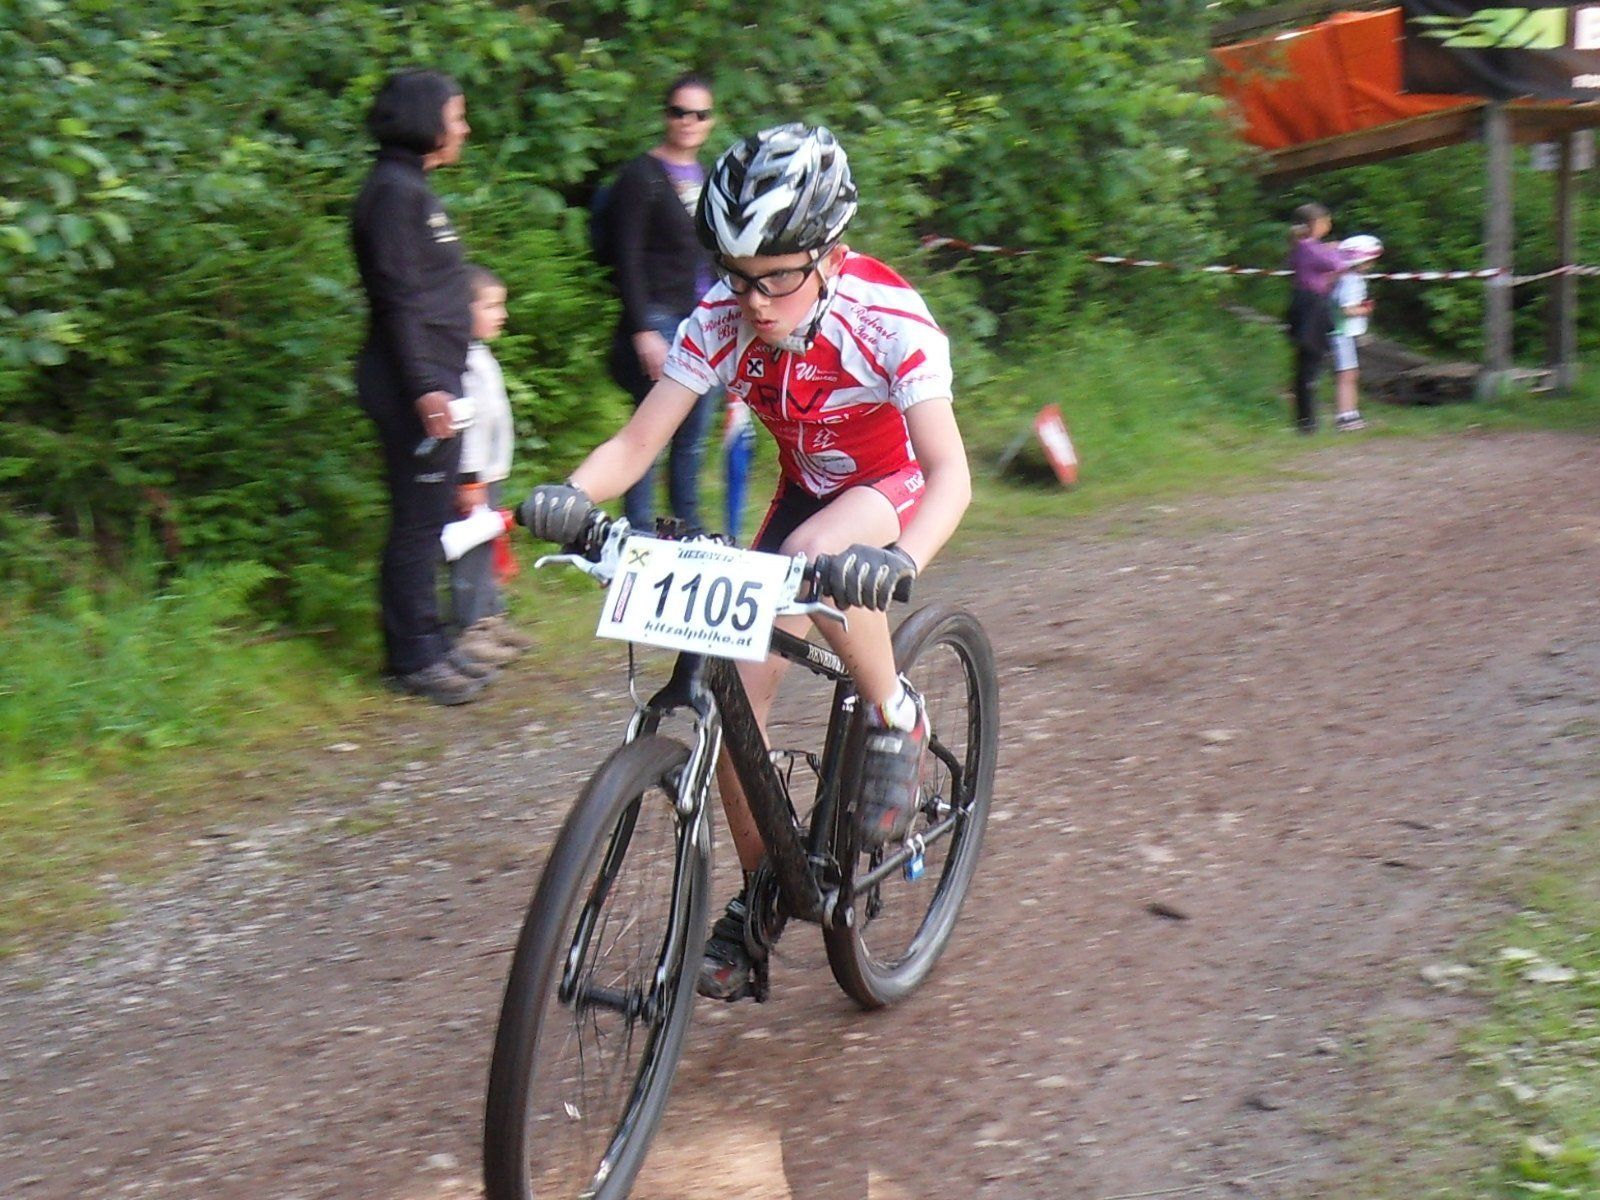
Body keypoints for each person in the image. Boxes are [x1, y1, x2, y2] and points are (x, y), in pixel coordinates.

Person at [523, 123, 973, 1001]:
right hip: (807, 489)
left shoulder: (889, 320)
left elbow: (951, 472)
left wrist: (901, 560)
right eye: (736, 276)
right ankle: (767, 892)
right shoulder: (721, 319)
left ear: (831, 258)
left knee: (820, 552)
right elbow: (639, 441)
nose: (755, 302)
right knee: (733, 690)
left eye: (777, 278)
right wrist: (569, 497)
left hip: (893, 484)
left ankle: (896, 709)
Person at [351, 69, 490, 705]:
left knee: (431, 512)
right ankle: (413, 657)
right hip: (414, 385)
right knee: (416, 517)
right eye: (456, 116)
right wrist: (426, 386)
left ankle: (431, 641)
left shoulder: (411, 189)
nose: (464, 128)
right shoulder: (392, 195)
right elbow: (399, 301)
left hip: (433, 380)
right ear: (425, 121)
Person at [605, 73, 723, 533]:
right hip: (659, 315)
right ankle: (637, 527)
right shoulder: (641, 176)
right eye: (679, 111)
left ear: (710, 121)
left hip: (706, 321)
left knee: (693, 433)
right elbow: (626, 256)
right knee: (650, 430)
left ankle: (686, 524)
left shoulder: (710, 178)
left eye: (699, 114)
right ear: (665, 115)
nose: (688, 121)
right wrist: (642, 329)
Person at [449, 264, 535, 665]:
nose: (502, 315)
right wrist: (469, 478)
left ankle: (491, 617)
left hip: (490, 473)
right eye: (491, 306)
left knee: (487, 548)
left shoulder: (480, 354)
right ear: (462, 309)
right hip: (473, 477)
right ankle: (469, 630)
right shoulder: (458, 362)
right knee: (470, 552)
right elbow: (466, 423)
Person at [1284, 202, 1351, 434]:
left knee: (1310, 363)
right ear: (1314, 224)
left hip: (1312, 304)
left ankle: (1307, 419)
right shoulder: (1309, 248)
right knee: (1309, 364)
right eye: (1325, 221)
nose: (1328, 225)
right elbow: (1336, 264)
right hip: (1310, 306)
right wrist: (1336, 250)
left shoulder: (1307, 247)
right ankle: (1306, 421)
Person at [1330, 235, 1383, 432]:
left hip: (1343, 332)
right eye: (1370, 261)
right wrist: (1365, 309)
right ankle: (1346, 416)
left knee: (1350, 373)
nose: (1371, 265)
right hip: (1342, 332)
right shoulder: (1351, 281)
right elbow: (1347, 309)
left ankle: (1351, 413)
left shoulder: (1346, 278)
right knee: (1348, 374)